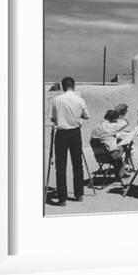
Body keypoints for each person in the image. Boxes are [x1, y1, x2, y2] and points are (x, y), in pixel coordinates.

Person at [49, 76, 89, 206]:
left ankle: (62, 198)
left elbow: (53, 118)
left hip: (61, 133)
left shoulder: (57, 99)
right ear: (74, 86)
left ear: (62, 86)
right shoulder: (80, 100)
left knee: (60, 166)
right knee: (77, 164)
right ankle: (79, 194)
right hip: (75, 133)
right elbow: (87, 116)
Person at [90, 109, 129, 180]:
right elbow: (126, 122)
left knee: (110, 147)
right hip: (111, 156)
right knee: (126, 145)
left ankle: (120, 171)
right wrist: (121, 117)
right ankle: (121, 172)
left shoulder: (96, 127)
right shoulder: (112, 126)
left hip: (99, 156)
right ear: (114, 119)